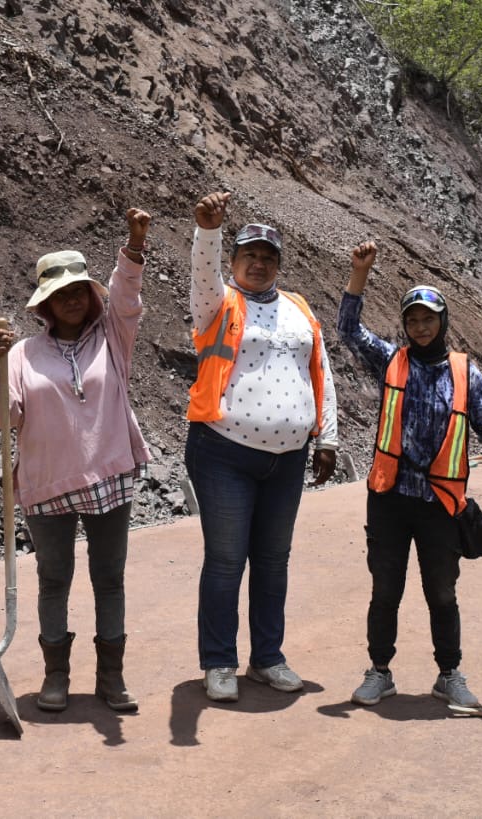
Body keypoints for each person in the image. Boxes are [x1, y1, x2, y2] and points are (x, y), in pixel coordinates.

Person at [338, 241, 482, 709]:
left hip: (441, 502)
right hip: (389, 496)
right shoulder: (391, 360)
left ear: (442, 322)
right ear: (404, 325)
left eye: (428, 319)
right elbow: (348, 331)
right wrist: (359, 274)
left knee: (441, 593)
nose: (420, 328)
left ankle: (449, 674)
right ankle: (379, 670)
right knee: (386, 589)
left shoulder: (467, 372)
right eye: (412, 320)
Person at [0, 208, 152, 713]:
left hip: (109, 477)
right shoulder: (23, 354)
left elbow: (127, 294)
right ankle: (56, 677)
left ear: (92, 295)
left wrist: (135, 244)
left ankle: (111, 678)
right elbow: (2, 418)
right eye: (61, 293)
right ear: (46, 304)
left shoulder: (113, 338)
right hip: (45, 483)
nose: (72, 298)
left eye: (79, 289)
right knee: (54, 580)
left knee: (109, 578)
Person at [186, 191, 339, 703]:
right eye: (249, 254)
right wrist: (208, 230)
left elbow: (321, 369)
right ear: (234, 261)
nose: (258, 263)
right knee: (227, 559)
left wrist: (328, 436)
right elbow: (202, 278)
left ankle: (267, 657)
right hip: (224, 451)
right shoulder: (218, 303)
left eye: (268, 257)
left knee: (274, 560)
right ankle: (219, 661)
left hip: (289, 458)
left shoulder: (298, 308)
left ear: (278, 265)